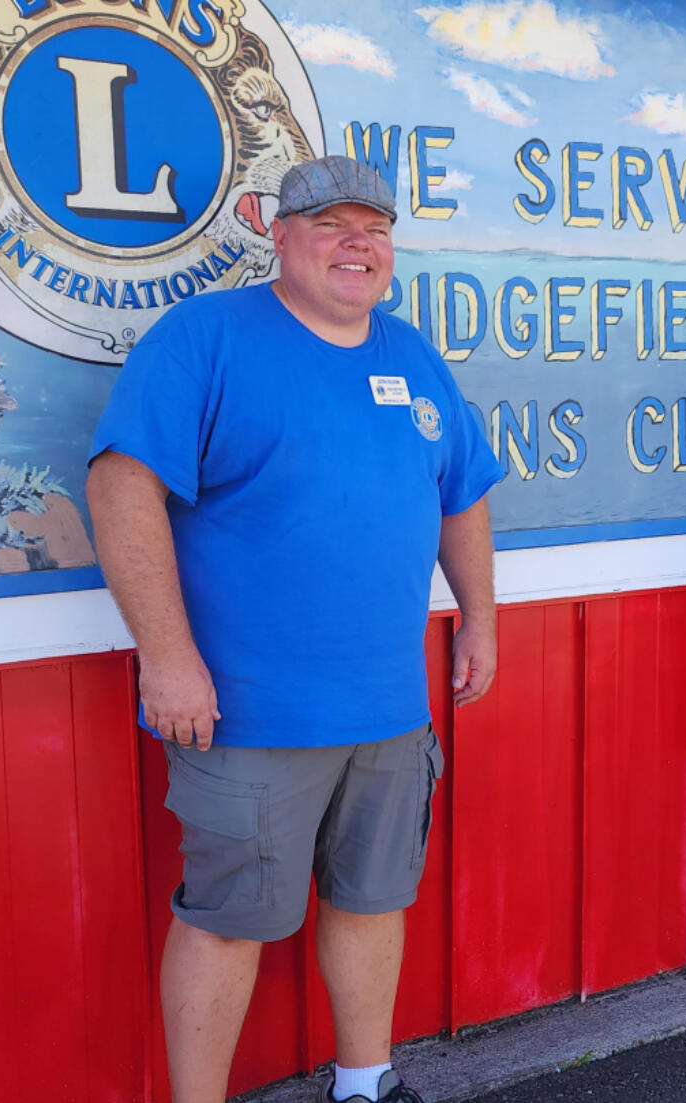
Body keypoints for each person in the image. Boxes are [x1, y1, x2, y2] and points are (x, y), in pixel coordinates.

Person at [86, 155, 504, 1103]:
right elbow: (120, 486)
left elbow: (462, 494)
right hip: (248, 713)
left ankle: (365, 1081)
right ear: (279, 237)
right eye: (331, 224)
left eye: (376, 227)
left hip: (390, 709)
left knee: (372, 900)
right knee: (227, 920)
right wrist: (167, 655)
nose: (359, 243)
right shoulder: (205, 338)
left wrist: (478, 615)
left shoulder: (412, 355)